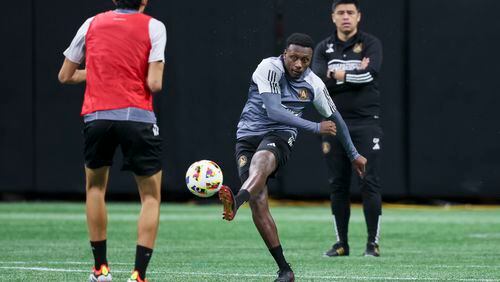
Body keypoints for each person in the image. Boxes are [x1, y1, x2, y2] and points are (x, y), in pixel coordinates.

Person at [218, 33, 367, 282]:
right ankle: (285, 269)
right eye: (294, 58)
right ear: (284, 54)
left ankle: (236, 199)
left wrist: (353, 154)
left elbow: (336, 118)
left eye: (305, 60)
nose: (299, 64)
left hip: (280, 135)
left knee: (261, 162)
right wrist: (315, 127)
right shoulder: (269, 67)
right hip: (248, 134)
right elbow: (274, 110)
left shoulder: (313, 84)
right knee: (259, 200)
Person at [58, 0, 166, 281]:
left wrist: (105, 73)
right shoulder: (154, 26)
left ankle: (100, 270)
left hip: (97, 118)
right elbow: (155, 84)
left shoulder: (91, 23)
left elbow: (65, 76)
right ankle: (138, 276)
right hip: (138, 119)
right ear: (143, 2)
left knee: (94, 188)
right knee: (151, 197)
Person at [311, 0, 383, 257]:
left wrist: (337, 74)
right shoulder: (323, 47)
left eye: (350, 12)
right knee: (337, 184)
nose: (345, 17)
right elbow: (319, 81)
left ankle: (372, 244)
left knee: (369, 182)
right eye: (340, 13)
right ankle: (341, 243)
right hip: (333, 123)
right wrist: (352, 75)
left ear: (358, 16)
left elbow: (370, 75)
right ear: (333, 17)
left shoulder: (371, 43)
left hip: (366, 122)